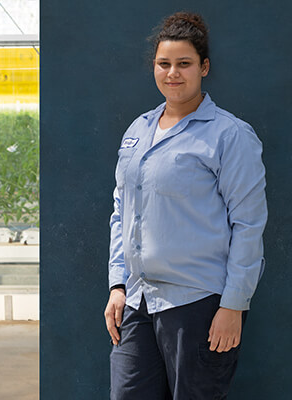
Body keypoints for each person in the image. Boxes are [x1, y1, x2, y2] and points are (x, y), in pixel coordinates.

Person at [104, 11, 267, 400]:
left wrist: (233, 306)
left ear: (204, 67)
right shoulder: (138, 130)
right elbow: (121, 210)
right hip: (138, 301)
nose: (172, 73)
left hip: (198, 306)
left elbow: (248, 224)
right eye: (164, 64)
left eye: (184, 64)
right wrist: (117, 282)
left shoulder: (230, 135)